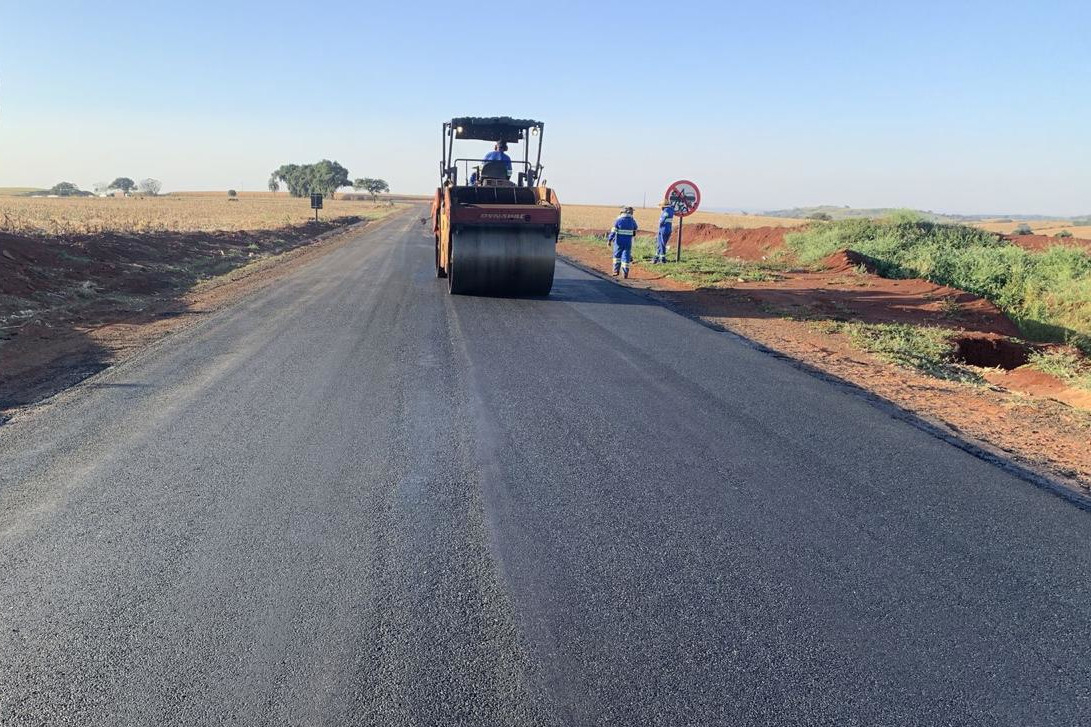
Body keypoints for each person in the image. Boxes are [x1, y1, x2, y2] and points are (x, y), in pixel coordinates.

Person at [607, 206, 639, 278]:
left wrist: (609, 240)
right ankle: (625, 273)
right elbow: (635, 228)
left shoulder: (618, 220)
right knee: (626, 257)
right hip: (628, 242)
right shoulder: (632, 221)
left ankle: (616, 271)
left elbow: (613, 231)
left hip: (619, 242)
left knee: (617, 256)